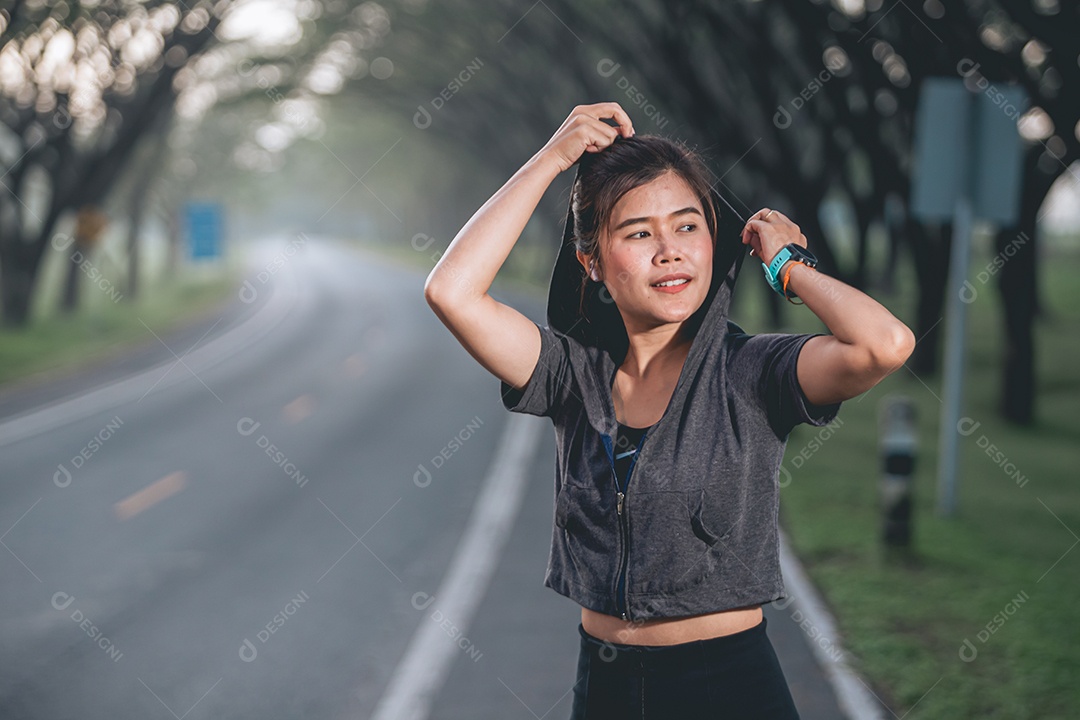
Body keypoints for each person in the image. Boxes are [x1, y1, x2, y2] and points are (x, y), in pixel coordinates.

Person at [424, 102, 915, 719]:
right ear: (592, 262)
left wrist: (787, 264)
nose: (669, 251)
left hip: (729, 690)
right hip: (604, 689)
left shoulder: (753, 371)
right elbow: (451, 291)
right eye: (638, 234)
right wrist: (552, 157)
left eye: (687, 227)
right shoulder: (571, 374)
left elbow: (883, 344)